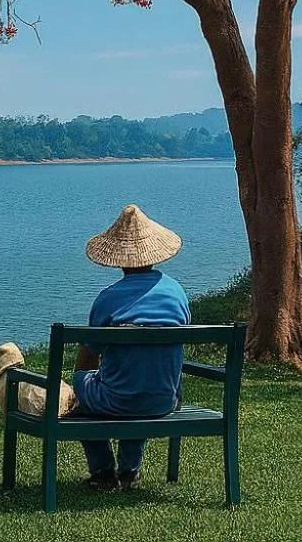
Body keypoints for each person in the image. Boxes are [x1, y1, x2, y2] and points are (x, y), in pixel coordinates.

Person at [72, 203, 190, 492]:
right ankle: (129, 471)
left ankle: (103, 472)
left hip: (116, 400)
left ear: (119, 259)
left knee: (82, 387)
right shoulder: (177, 293)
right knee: (143, 381)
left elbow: (89, 353)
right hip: (163, 400)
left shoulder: (107, 299)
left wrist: (85, 380)